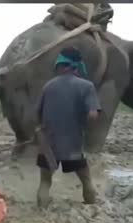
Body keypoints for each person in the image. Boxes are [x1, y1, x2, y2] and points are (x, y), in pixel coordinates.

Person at [36, 47, 101, 207]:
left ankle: (41, 212)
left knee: (45, 182)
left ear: (62, 66)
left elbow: (38, 114)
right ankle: (92, 207)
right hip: (73, 146)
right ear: (76, 67)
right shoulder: (87, 86)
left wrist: (42, 131)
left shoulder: (48, 86)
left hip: (48, 145)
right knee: (86, 179)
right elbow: (93, 115)